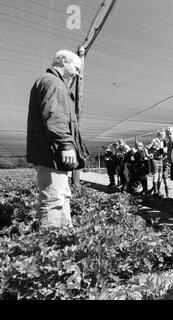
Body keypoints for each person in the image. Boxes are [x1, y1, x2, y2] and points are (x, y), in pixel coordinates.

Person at [26, 49, 89, 228]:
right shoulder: (53, 82)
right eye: (76, 68)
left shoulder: (53, 82)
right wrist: (66, 143)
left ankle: (65, 236)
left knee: (63, 196)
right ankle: (50, 247)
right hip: (51, 154)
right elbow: (55, 116)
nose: (77, 73)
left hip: (52, 153)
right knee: (53, 200)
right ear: (62, 61)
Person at [147, 130, 166, 197]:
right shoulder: (154, 140)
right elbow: (146, 148)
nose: (165, 136)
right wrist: (148, 155)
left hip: (160, 160)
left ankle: (158, 190)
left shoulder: (163, 142)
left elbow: (164, 150)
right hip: (155, 160)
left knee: (160, 176)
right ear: (160, 135)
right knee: (156, 175)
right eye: (164, 135)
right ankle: (155, 191)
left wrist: (164, 154)